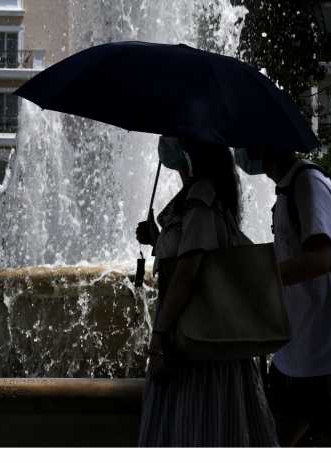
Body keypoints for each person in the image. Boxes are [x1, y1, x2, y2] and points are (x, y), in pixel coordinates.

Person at [135, 137, 278, 447]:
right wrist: (157, 239)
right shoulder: (201, 201)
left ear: (190, 153)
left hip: (198, 343)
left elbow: (187, 274)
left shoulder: (201, 202)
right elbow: (190, 255)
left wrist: (158, 339)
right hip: (201, 337)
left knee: (198, 428)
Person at [238, 146, 331, 447]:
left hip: (330, 355)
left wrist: (259, 278)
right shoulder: (288, 189)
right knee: (268, 443)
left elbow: (319, 260)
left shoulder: (308, 183)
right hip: (296, 355)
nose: (241, 149)